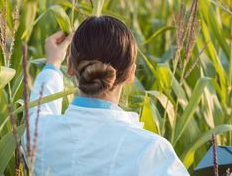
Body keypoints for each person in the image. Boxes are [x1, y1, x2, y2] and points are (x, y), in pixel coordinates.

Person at [22, 15, 189, 176]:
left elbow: (37, 112)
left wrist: (52, 64)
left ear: (70, 68)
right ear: (131, 74)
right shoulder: (151, 150)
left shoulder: (37, 137)